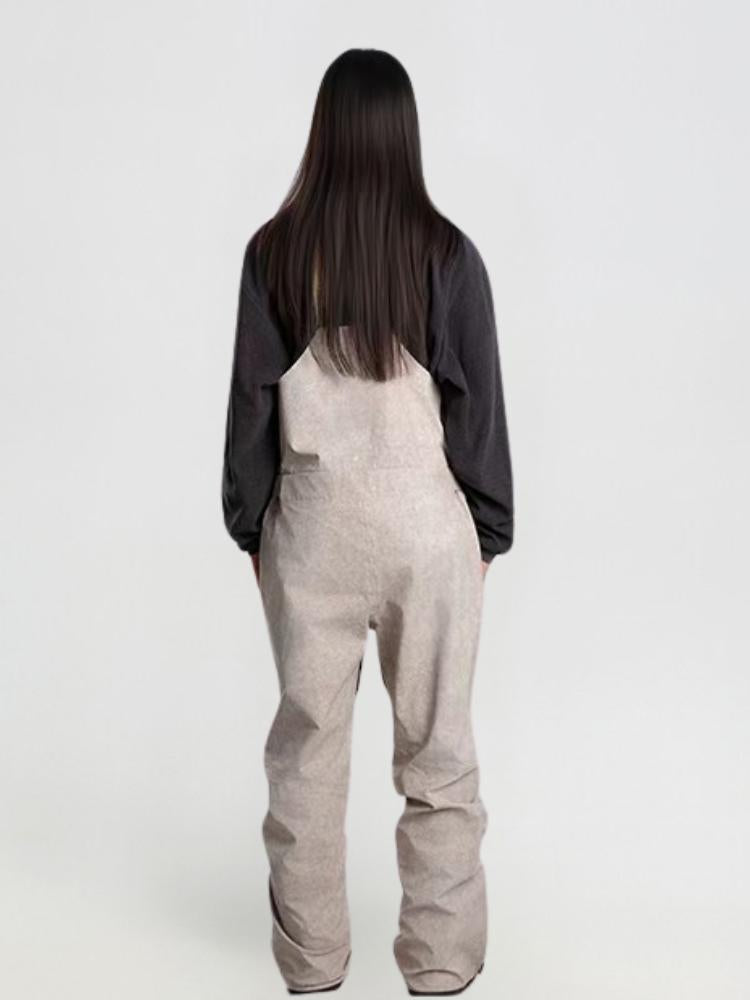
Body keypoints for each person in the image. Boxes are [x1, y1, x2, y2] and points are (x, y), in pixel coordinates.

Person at [222, 48, 513, 997]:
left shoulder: (273, 254)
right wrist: (488, 534)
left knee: (306, 755)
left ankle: (313, 968)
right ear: (404, 135)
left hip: (311, 531)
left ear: (325, 132)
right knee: (440, 752)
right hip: (427, 529)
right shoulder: (448, 254)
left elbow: (252, 410)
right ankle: (441, 967)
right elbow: (479, 409)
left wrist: (252, 532)